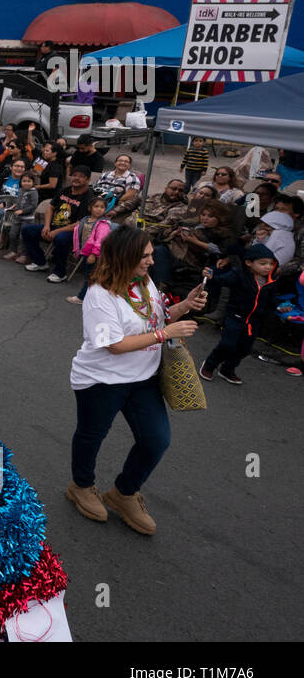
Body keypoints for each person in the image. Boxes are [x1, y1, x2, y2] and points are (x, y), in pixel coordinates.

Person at [66, 227, 206, 535]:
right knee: (92, 435)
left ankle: (123, 493)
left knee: (156, 440)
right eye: (145, 256)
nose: (152, 262)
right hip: (101, 380)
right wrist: (164, 334)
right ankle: (82, 486)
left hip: (143, 378)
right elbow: (113, 344)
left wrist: (184, 307)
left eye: (151, 254)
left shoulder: (144, 283)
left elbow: (156, 317)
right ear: (126, 257)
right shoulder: (100, 294)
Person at [199, 244, 293, 385]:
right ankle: (209, 365)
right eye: (263, 263)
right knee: (227, 344)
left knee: (244, 349)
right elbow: (221, 281)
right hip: (235, 316)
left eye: (270, 264)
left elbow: (272, 301)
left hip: (254, 321)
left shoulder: (271, 282)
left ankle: (227, 370)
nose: (267, 267)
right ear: (249, 263)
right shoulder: (239, 274)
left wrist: (280, 307)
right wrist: (211, 277)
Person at [22, 165, 95, 282]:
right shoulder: (65, 190)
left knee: (60, 238)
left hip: (75, 232)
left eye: (81, 177)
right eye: (74, 175)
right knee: (28, 230)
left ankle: (60, 272)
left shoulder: (88, 197)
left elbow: (80, 223)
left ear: (88, 180)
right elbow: (51, 207)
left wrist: (56, 231)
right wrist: (46, 226)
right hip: (55, 226)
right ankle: (40, 262)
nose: (76, 178)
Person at [66, 195, 113, 304]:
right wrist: (77, 250)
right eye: (96, 206)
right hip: (86, 252)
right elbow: (79, 236)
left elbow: (100, 241)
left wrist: (93, 254)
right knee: (91, 276)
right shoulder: (85, 220)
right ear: (90, 208)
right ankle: (95, 298)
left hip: (95, 255)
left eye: (102, 207)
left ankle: (81, 298)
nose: (99, 209)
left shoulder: (103, 224)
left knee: (90, 277)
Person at [140, 179, 191, 244]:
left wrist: (137, 233)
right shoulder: (154, 196)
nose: (176, 192)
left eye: (181, 190)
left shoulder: (180, 208)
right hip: (129, 225)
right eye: (173, 189)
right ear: (166, 188)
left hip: (144, 235)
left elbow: (161, 226)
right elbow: (132, 203)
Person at [95, 152, 141, 218]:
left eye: (126, 161)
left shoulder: (133, 178)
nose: (123, 163)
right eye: (120, 160)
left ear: (129, 165)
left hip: (116, 203)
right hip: (99, 200)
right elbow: (97, 187)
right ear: (115, 163)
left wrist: (111, 202)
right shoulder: (105, 174)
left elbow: (129, 196)